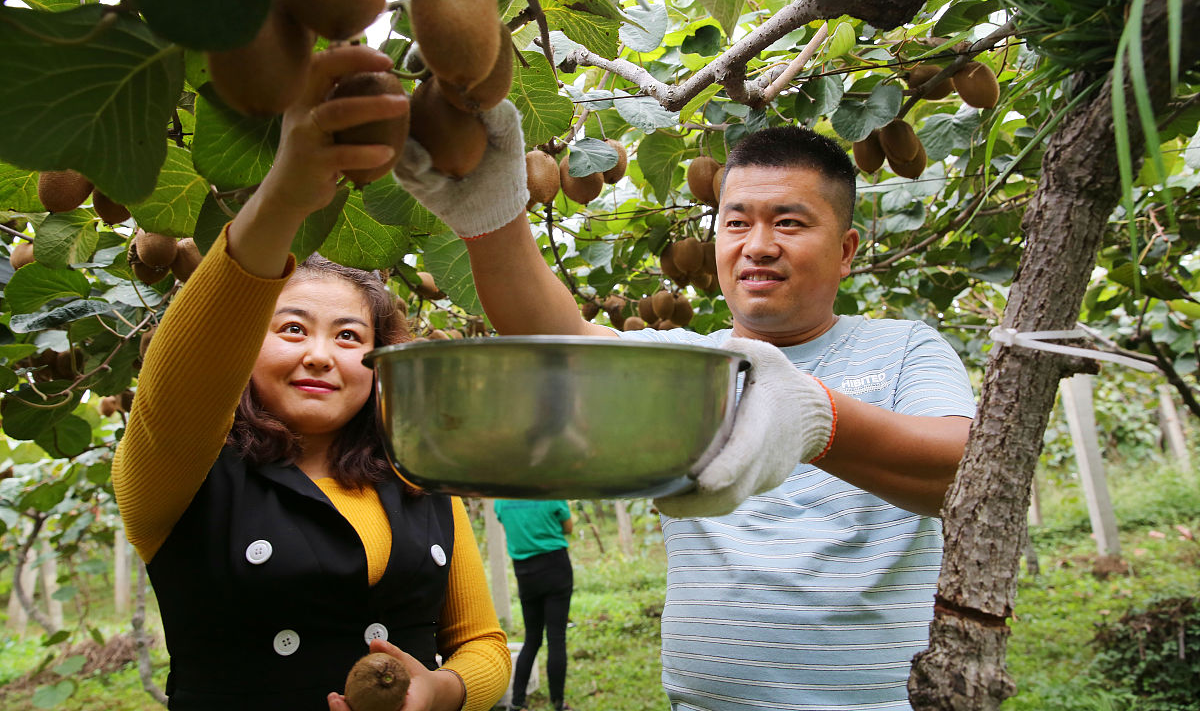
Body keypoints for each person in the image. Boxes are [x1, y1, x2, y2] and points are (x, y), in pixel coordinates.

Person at [393, 108, 977, 710]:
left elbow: (966, 476)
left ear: (847, 249)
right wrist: (494, 222)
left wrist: (818, 418)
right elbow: (554, 336)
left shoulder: (905, 347)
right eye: (736, 222)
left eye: (790, 222)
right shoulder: (684, 368)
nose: (758, 245)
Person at [112, 45, 511, 711]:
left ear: (379, 362)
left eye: (350, 337)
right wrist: (286, 196)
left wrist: (443, 689)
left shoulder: (417, 475)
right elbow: (173, 389)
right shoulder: (184, 476)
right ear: (245, 343)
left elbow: (484, 644)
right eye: (291, 329)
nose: (322, 355)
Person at [492, 500, 575, 711]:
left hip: (525, 572)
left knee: (532, 638)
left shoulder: (501, 499)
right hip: (555, 566)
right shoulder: (550, 492)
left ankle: (517, 702)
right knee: (556, 637)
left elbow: (507, 524)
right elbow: (568, 527)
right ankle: (558, 703)